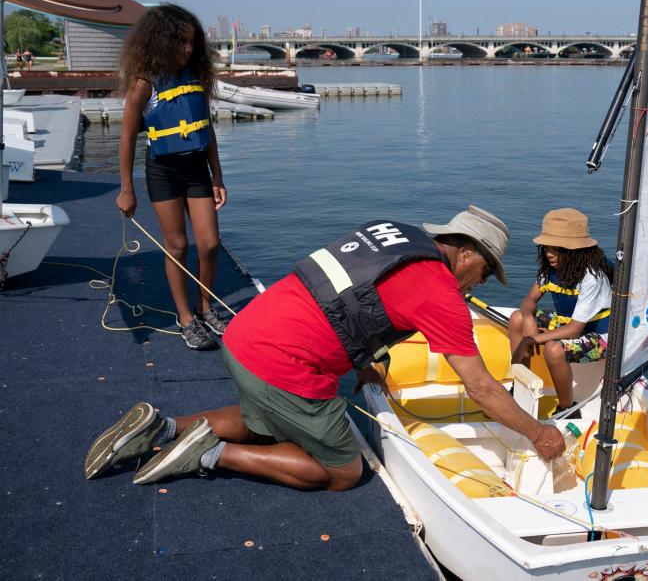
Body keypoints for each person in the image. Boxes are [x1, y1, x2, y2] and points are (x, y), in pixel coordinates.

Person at [84, 206, 566, 490]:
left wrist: (369, 360)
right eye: (482, 274)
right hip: (283, 362)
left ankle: (162, 425)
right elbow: (480, 387)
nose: (474, 286)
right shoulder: (440, 292)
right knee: (342, 470)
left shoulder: (393, 234)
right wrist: (539, 433)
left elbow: (353, 298)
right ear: (466, 253)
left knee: (268, 420)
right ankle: (210, 455)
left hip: (248, 332)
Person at [115, 4, 229, 350]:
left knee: (209, 244)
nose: (188, 50)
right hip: (163, 171)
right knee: (177, 246)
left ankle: (205, 306)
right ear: (160, 43)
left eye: (192, 43)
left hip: (196, 169)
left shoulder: (195, 77)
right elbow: (126, 137)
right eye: (180, 44)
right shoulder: (143, 84)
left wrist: (217, 176)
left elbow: (205, 128)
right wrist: (126, 190)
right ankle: (186, 319)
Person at [509, 208, 613, 418]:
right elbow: (530, 300)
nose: (549, 253)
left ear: (575, 250)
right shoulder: (550, 271)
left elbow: (575, 330)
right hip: (569, 324)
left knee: (553, 350)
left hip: (598, 335)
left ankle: (567, 409)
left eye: (557, 249)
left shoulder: (591, 277)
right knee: (517, 318)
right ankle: (520, 387)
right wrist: (528, 319)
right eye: (546, 247)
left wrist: (532, 339)